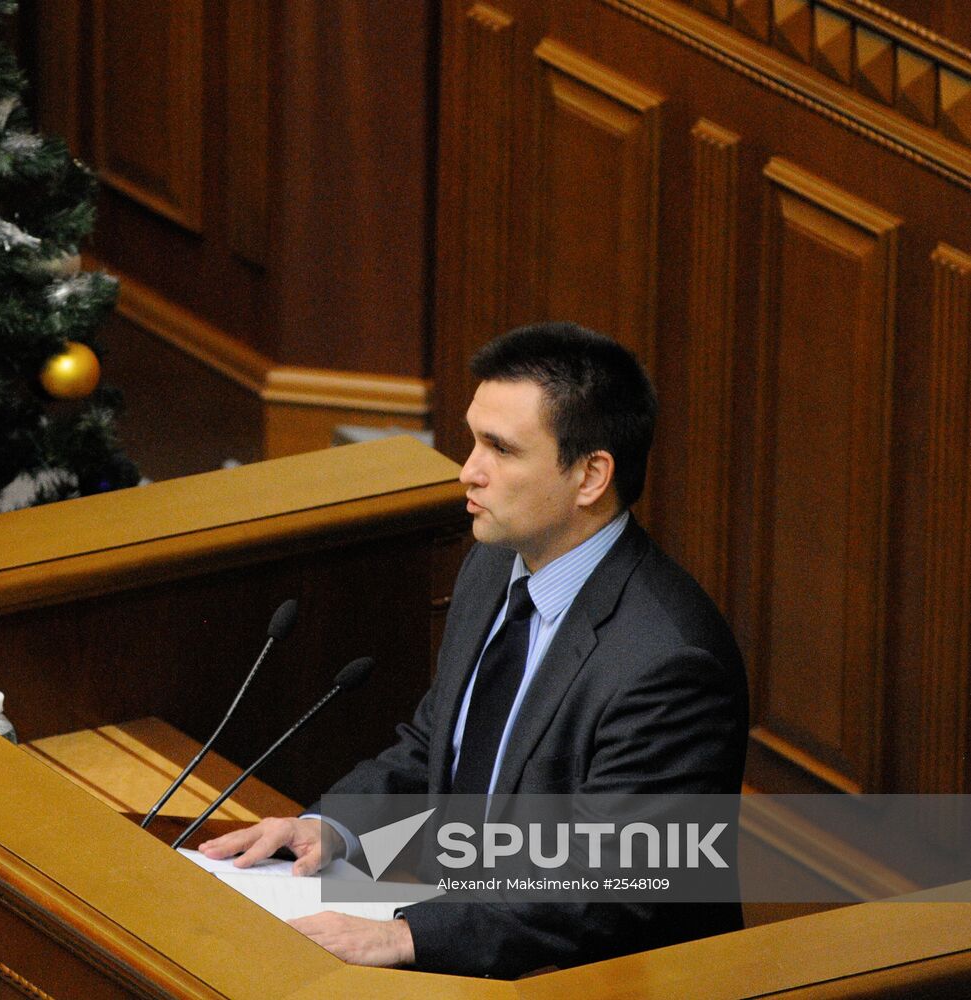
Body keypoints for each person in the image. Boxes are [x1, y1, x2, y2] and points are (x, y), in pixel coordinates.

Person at [199, 321, 749, 977]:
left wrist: (403, 936)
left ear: (590, 476)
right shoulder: (492, 566)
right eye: (472, 440)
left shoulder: (668, 663)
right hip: (466, 934)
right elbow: (438, 740)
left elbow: (605, 891)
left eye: (500, 449)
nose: (468, 471)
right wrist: (332, 827)